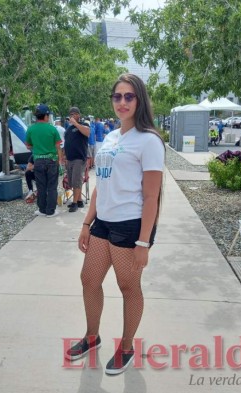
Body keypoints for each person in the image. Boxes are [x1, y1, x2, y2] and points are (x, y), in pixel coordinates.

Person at [65, 73, 165, 375]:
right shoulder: (109, 137)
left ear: (140, 100)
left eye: (129, 96)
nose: (122, 102)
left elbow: (151, 197)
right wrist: (86, 222)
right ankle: (92, 337)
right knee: (89, 280)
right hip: (103, 224)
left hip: (130, 226)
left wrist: (144, 243)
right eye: (117, 96)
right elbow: (101, 185)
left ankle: (126, 347)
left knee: (127, 286)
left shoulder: (149, 141)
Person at [25, 104, 63, 217]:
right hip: (52, 160)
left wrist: (37, 149)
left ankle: (42, 209)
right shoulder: (52, 129)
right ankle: (50, 211)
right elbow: (58, 147)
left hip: (38, 161)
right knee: (52, 186)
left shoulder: (31, 129)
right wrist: (60, 161)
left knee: (41, 186)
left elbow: (28, 146)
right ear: (46, 116)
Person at [64, 106, 90, 212]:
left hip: (79, 158)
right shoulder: (68, 129)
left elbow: (87, 133)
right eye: (70, 114)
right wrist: (65, 157)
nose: (72, 116)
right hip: (69, 159)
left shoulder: (83, 125)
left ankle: (74, 203)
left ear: (78, 115)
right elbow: (67, 143)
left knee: (76, 180)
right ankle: (79, 200)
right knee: (71, 181)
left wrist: (76, 124)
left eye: (74, 114)